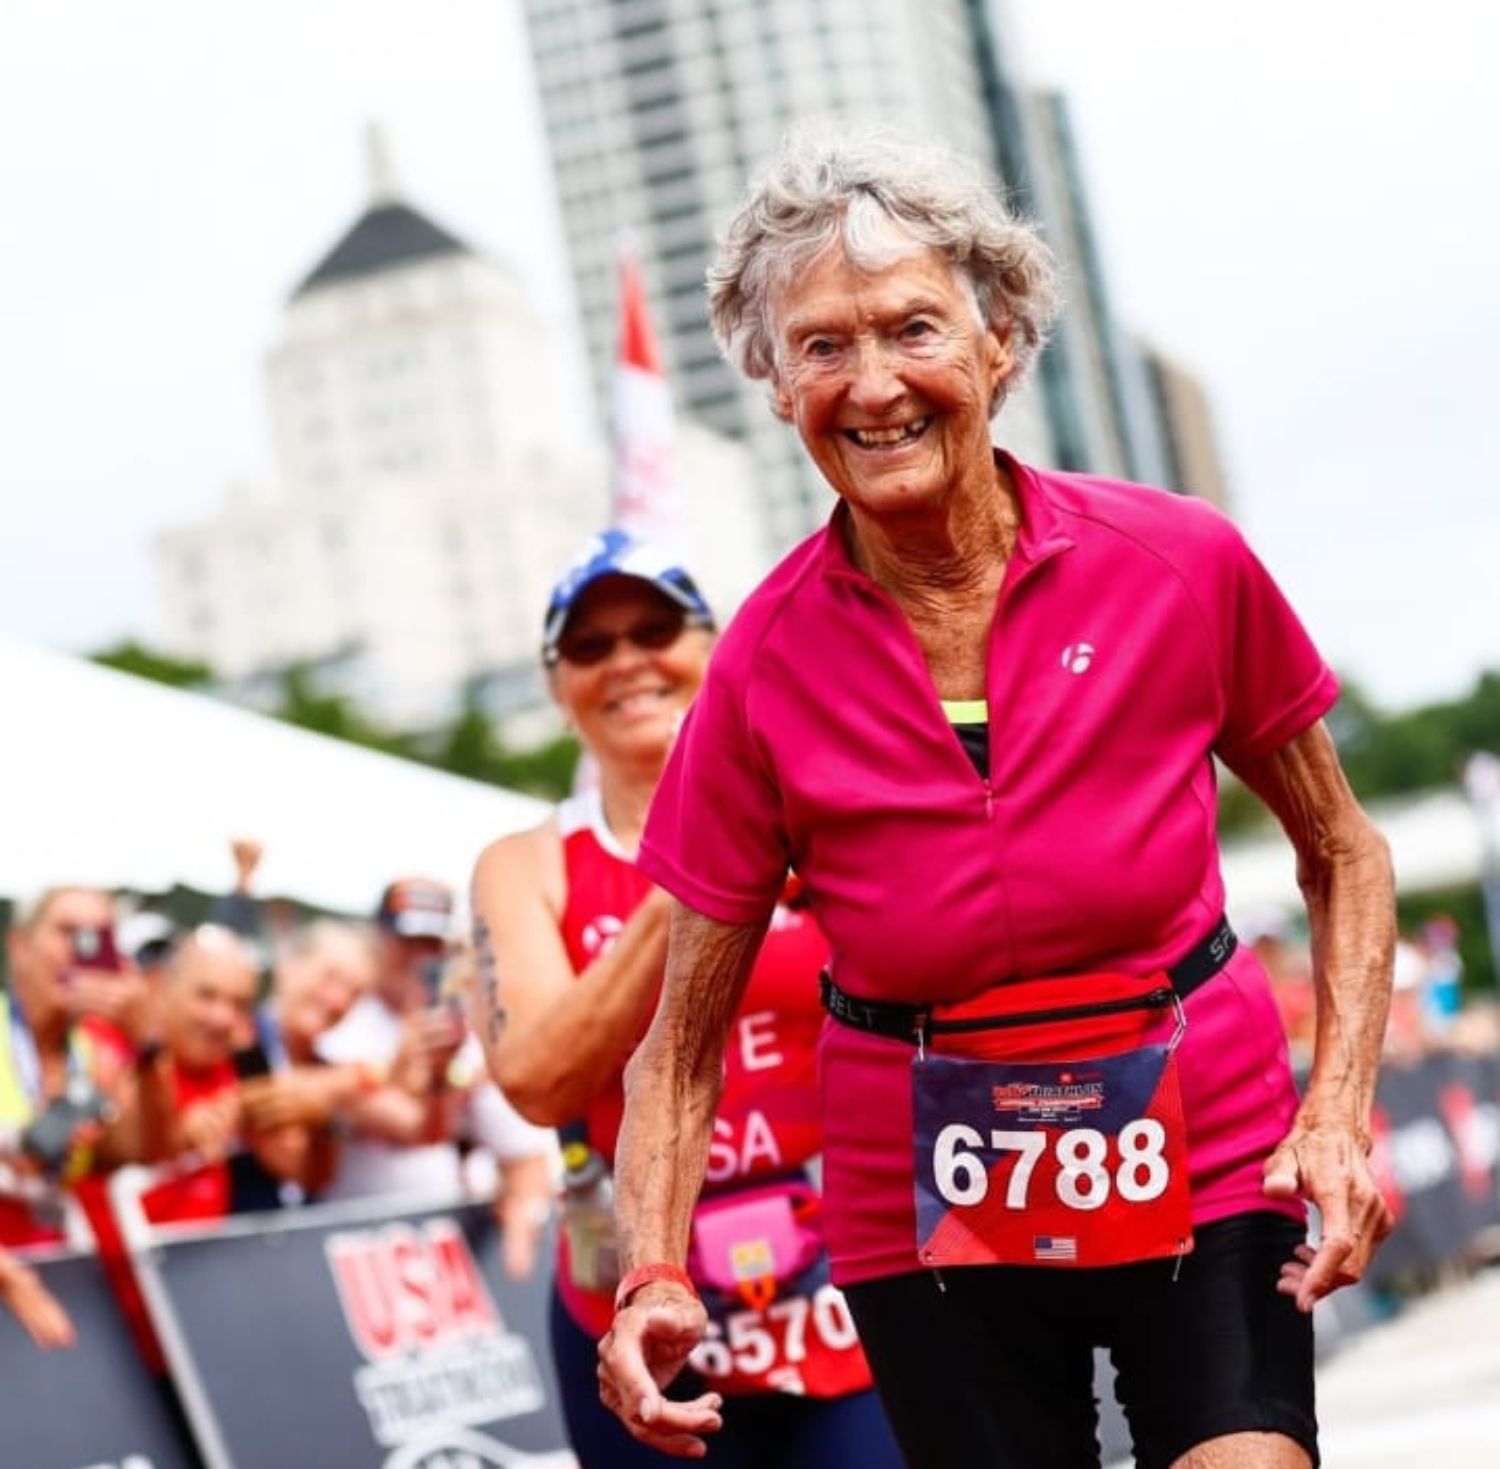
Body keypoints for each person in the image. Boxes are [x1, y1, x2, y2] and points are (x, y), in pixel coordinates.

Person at [597, 126, 1397, 1469]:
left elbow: (1347, 850)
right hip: (925, 1184)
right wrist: (654, 1274)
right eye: (821, 347)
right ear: (773, 380)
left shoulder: (1178, 565)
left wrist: (1336, 1112)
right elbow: (681, 1042)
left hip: (1202, 1127)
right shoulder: (759, 667)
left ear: (1000, 342)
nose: (874, 387)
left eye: (914, 329)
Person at [471, 531, 901, 1469]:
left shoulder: (816, 808)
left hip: (848, 1288)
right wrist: (693, 868)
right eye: (589, 645)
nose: (627, 659)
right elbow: (540, 1081)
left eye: (654, 628)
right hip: (634, 1309)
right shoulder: (527, 866)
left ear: (711, 648)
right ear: (557, 686)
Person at [315, 879, 557, 1270]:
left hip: (437, 1251)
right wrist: (439, 1076)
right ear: (379, 940)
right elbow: (419, 1129)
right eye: (406, 941)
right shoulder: (342, 1028)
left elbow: (523, 1152)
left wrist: (523, 1222)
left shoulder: (460, 1031)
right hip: (354, 1254)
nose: (421, 957)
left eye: (432, 943)